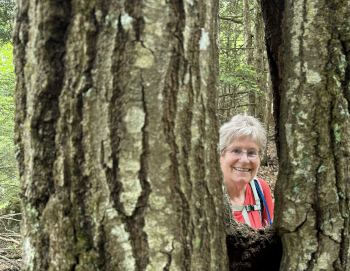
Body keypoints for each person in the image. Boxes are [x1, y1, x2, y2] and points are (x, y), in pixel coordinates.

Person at [219, 114, 274, 229]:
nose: (244, 160)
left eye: (251, 152)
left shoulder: (261, 190)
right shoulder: (205, 195)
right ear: (221, 155)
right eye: (236, 150)